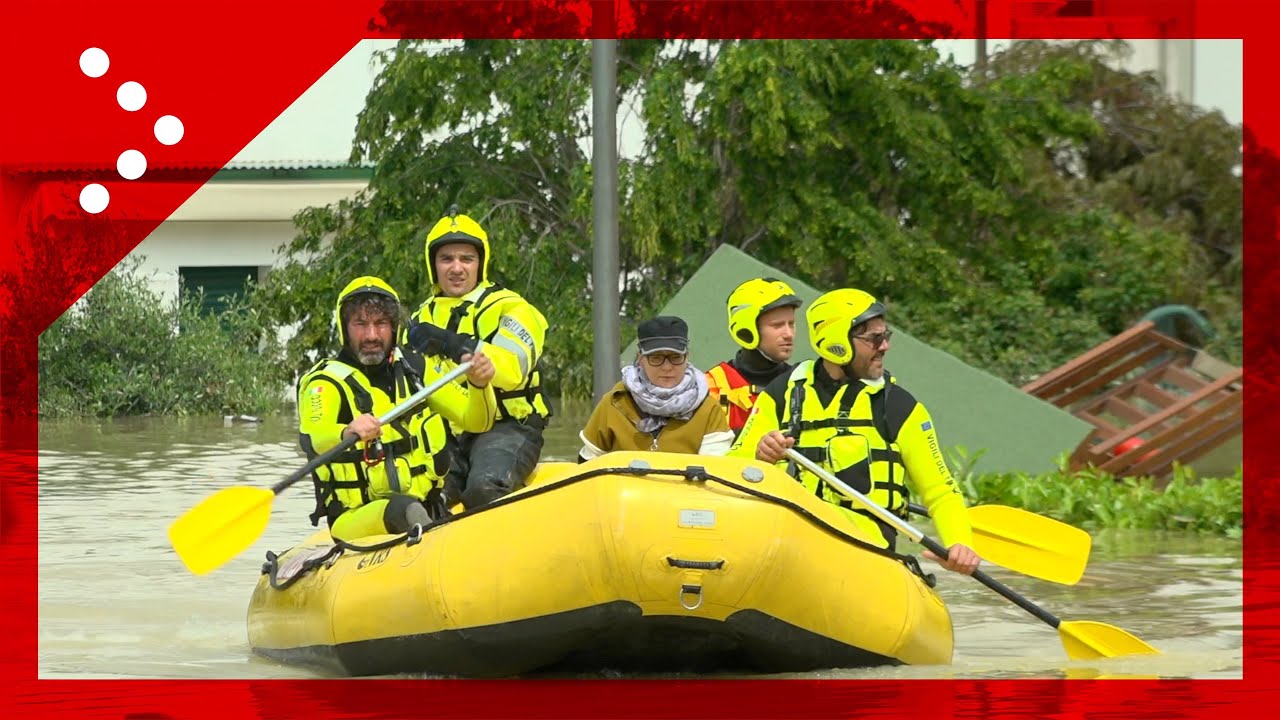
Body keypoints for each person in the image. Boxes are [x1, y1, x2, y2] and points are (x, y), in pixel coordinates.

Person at [729, 289, 980, 575]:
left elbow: (940, 491)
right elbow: (733, 467)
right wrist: (762, 456)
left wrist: (960, 544)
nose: (885, 346)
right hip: (796, 546)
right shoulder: (781, 394)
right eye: (874, 338)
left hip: (867, 554)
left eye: (886, 336)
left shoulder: (899, 407)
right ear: (837, 342)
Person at [298, 276, 498, 542]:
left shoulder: (417, 369)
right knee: (405, 509)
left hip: (429, 507)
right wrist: (347, 431)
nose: (371, 335)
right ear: (345, 328)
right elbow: (315, 436)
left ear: (394, 328)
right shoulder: (323, 383)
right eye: (360, 324)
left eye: (381, 324)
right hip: (358, 518)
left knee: (418, 508)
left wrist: (480, 386)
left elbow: (476, 421)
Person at [406, 208, 551, 511]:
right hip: (447, 432)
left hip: (509, 426)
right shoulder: (420, 318)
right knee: (423, 503)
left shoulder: (513, 308)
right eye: (446, 259)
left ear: (480, 264)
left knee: (485, 488)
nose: (456, 268)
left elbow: (512, 368)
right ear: (433, 266)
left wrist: (452, 343)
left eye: (466, 259)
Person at [579, 316, 733, 460]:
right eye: (656, 358)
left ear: (687, 357)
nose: (667, 367)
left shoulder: (709, 409)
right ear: (641, 359)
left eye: (675, 357)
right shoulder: (614, 403)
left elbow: (714, 474)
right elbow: (587, 464)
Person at [707, 277, 803, 437]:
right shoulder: (713, 387)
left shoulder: (801, 383)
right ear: (746, 329)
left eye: (791, 324)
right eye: (777, 325)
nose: (789, 334)